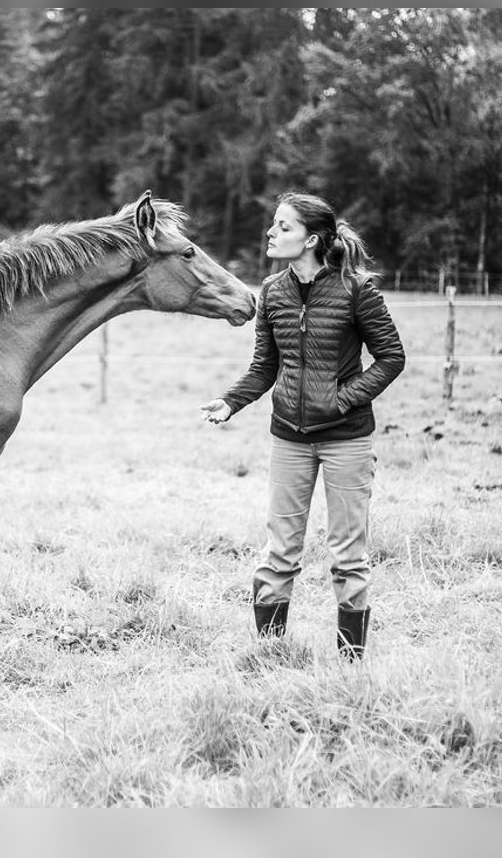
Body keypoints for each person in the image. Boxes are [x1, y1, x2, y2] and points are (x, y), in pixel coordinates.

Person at [200, 192, 405, 660]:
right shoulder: (272, 292)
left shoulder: (356, 290)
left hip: (347, 440)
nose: (271, 233)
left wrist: (341, 399)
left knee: (349, 557)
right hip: (288, 439)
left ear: (311, 239)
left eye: (283, 227)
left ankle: (351, 665)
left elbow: (392, 357)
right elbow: (264, 366)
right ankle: (269, 658)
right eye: (274, 225)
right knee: (280, 552)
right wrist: (231, 402)